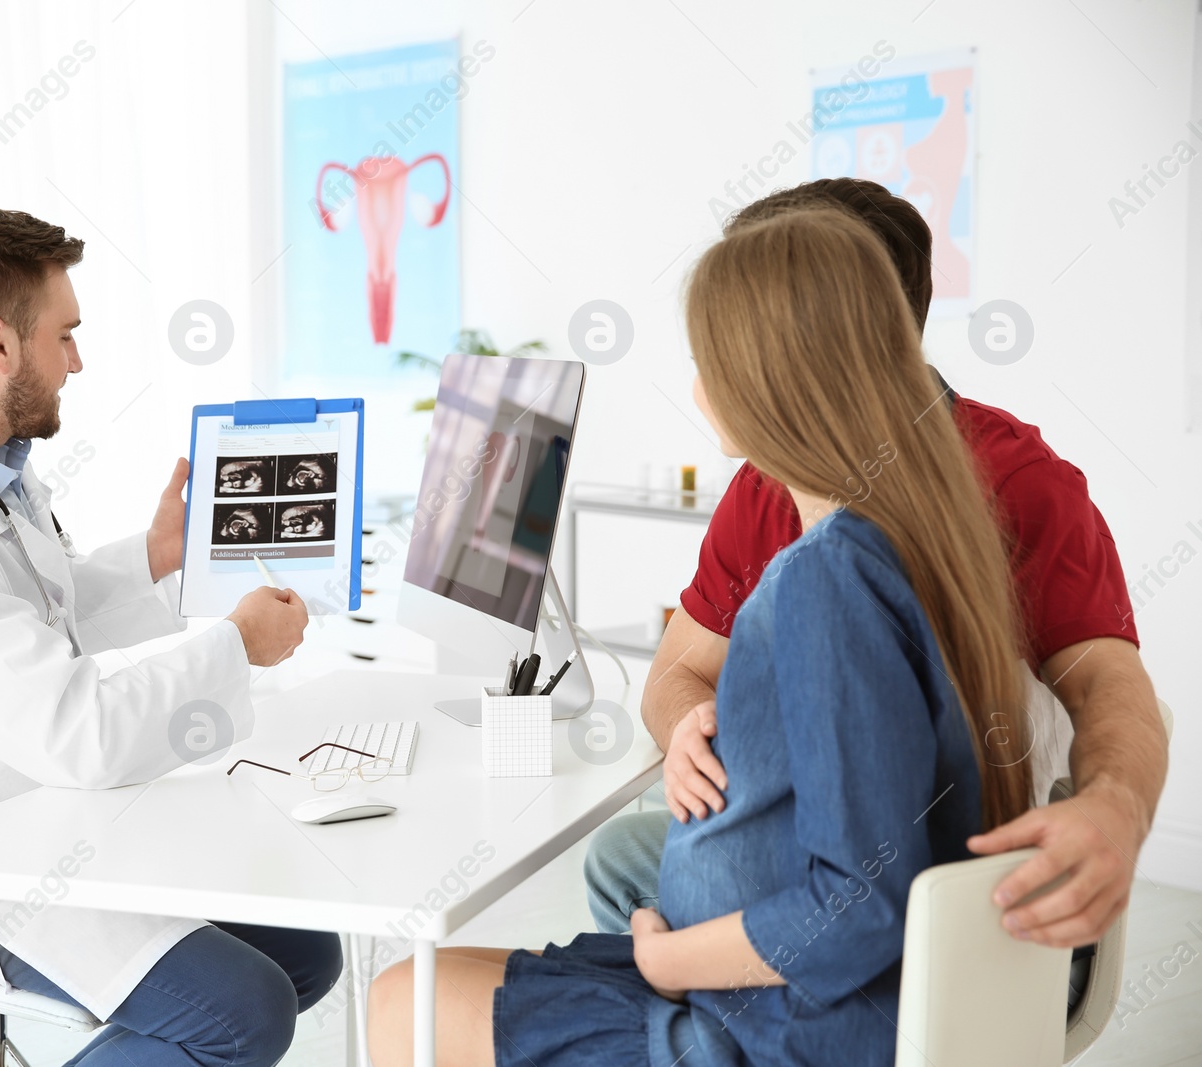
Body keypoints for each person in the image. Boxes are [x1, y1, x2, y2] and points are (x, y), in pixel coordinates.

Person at [367, 205, 1050, 1067]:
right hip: (777, 999)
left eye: (704, 362)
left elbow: (864, 903)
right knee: (428, 976)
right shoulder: (901, 540)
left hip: (776, 1028)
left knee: (401, 1001)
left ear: (766, 381)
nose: (696, 388)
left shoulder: (824, 580)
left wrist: (664, 958)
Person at [0, 207, 340, 1067]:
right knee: (246, 1010)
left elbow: (31, 617)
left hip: (23, 814)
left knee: (309, 949)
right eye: (67, 335)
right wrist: (237, 645)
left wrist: (158, 558)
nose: (78, 361)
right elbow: (74, 730)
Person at [586, 178, 1166, 952]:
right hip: (817, 853)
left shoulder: (1017, 480)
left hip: (937, 881)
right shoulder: (765, 484)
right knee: (618, 860)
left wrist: (1116, 806)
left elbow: (1110, 683)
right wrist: (684, 727)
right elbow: (677, 670)